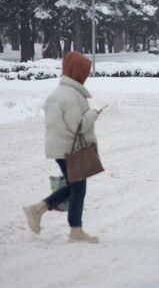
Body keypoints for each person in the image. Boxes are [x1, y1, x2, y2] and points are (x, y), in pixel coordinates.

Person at [23, 51, 103, 243]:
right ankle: (73, 229)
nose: (87, 75)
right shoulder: (71, 96)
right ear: (77, 72)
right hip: (69, 149)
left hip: (60, 148)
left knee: (75, 186)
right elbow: (79, 126)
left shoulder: (59, 92)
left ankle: (39, 210)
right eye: (85, 71)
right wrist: (93, 114)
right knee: (78, 188)